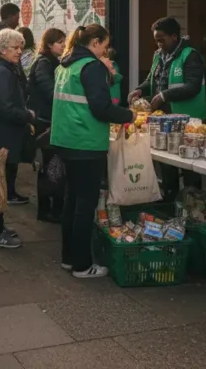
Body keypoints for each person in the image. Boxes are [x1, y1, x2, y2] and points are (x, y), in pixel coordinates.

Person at [51, 24, 135, 279]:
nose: (106, 50)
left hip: (66, 139)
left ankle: (69, 258)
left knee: (71, 201)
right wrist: (130, 115)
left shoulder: (65, 65)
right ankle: (82, 265)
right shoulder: (92, 66)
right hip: (86, 142)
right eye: (105, 45)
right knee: (84, 206)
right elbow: (101, 107)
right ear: (95, 42)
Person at [0, 28, 34, 249]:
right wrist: (27, 115)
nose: (20, 51)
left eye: (21, 47)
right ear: (2, 49)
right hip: (2, 133)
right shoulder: (1, 72)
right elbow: (5, 107)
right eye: (15, 47)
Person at [128, 17, 206, 119]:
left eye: (162, 40)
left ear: (174, 36)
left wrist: (163, 96)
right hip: (163, 116)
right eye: (156, 41)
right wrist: (139, 90)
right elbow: (151, 80)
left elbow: (193, 87)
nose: (159, 44)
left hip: (189, 119)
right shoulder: (157, 55)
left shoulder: (190, 55)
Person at [27, 28, 67, 222]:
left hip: (47, 119)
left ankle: (50, 208)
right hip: (45, 121)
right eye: (60, 42)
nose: (63, 45)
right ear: (50, 44)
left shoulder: (53, 62)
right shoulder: (45, 63)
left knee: (51, 166)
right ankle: (48, 209)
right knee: (50, 166)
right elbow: (50, 90)